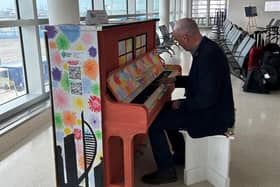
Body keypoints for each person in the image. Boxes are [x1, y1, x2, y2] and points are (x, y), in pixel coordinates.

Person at [142, 18, 235, 184]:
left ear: (185, 37)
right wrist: (176, 81)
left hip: (214, 116)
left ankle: (166, 170)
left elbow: (207, 98)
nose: (179, 44)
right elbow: (199, 81)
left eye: (178, 41)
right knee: (165, 109)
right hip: (211, 108)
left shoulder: (208, 56)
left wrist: (182, 104)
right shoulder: (205, 48)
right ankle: (181, 154)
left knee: (154, 121)